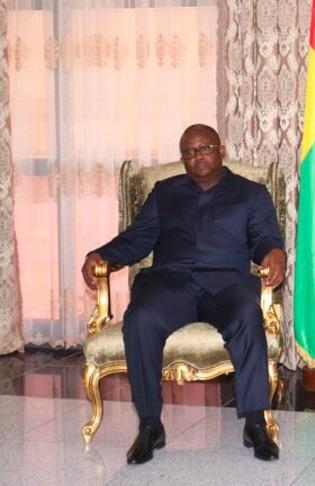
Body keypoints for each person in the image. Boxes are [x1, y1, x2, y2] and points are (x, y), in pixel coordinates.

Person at [81, 124, 286, 464]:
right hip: (170, 282)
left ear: (221, 151)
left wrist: (274, 253)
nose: (197, 157)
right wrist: (100, 254)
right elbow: (138, 238)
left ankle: (255, 423)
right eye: (189, 152)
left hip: (226, 283)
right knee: (140, 319)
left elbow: (264, 237)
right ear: (183, 159)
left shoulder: (251, 193)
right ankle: (150, 425)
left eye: (204, 149)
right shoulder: (165, 192)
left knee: (247, 315)